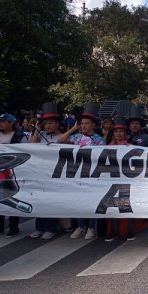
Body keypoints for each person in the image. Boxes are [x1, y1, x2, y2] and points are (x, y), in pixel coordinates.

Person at [60, 103, 105, 240]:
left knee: (91, 201)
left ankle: (91, 227)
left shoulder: (99, 140)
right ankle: (80, 226)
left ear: (93, 125)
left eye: (87, 123)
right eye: (82, 123)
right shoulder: (76, 138)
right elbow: (60, 140)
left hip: (92, 174)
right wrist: (74, 128)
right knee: (78, 200)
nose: (84, 126)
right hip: (77, 173)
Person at [0, 113, 28, 238]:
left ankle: (14, 226)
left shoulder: (20, 136)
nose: (0, 123)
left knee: (12, 195)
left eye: (3, 121)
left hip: (12, 173)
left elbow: (25, 152)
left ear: (11, 123)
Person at [29, 102, 63, 240]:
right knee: (40, 200)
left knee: (51, 201)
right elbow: (32, 146)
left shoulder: (61, 136)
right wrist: (37, 131)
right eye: (46, 123)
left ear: (56, 124)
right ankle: (39, 227)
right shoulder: (40, 135)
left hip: (55, 174)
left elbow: (63, 143)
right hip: (40, 173)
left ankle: (51, 227)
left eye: (51, 123)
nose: (48, 126)